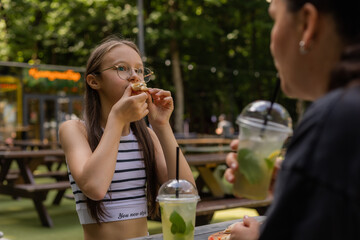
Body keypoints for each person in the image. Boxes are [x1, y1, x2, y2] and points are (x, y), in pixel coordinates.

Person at [224, 0, 360, 239]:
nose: (272, 42)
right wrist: (298, 186)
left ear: (307, 23)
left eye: (274, 19)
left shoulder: (336, 119)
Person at [59, 36, 195, 240]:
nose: (134, 76)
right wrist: (117, 118)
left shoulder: (147, 136)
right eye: (122, 68)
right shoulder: (75, 130)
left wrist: (162, 126)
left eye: (139, 70)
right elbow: (94, 188)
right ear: (94, 81)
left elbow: (185, 192)